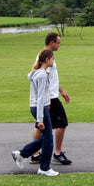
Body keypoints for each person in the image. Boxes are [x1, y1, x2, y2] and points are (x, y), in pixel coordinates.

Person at [12, 49, 59, 176]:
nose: (54, 61)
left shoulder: (38, 73)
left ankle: (21, 154)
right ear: (47, 60)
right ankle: (44, 168)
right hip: (39, 108)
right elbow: (40, 97)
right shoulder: (42, 75)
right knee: (48, 139)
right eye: (53, 59)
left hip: (38, 107)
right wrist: (40, 119)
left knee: (46, 137)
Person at [30, 32, 72, 165]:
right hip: (51, 98)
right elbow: (45, 80)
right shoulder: (47, 56)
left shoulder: (45, 55)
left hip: (53, 95)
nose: (59, 45)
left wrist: (62, 91)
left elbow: (52, 79)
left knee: (40, 124)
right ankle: (57, 153)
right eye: (58, 42)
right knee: (62, 123)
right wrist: (46, 102)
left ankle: (35, 154)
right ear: (52, 43)